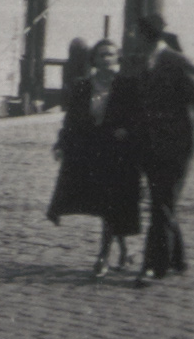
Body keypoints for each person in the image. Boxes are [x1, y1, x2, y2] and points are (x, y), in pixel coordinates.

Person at [46, 39, 143, 277]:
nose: (106, 59)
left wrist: (127, 131)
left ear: (118, 58)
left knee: (110, 204)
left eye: (110, 54)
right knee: (105, 205)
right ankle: (124, 251)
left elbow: (140, 118)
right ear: (94, 60)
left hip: (118, 153)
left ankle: (103, 256)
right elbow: (70, 120)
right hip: (90, 151)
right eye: (101, 55)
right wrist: (61, 144)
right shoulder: (82, 86)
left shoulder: (128, 86)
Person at [134, 13, 194, 287]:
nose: (132, 38)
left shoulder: (178, 62)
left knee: (161, 205)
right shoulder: (144, 62)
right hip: (150, 146)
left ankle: (154, 266)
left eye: (135, 33)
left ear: (146, 36)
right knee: (162, 203)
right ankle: (177, 259)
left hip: (176, 147)